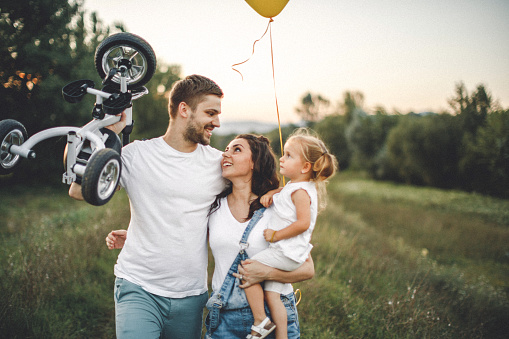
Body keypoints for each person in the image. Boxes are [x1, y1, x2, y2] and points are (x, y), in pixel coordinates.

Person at [106, 134, 315, 338]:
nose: (226, 155)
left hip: (273, 314)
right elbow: (182, 233)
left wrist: (266, 274)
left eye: (237, 149)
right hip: (225, 316)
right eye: (226, 149)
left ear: (254, 163)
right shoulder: (215, 207)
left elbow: (307, 268)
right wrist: (136, 235)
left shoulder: (275, 207)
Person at [69, 74, 226, 339]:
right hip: (138, 286)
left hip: (191, 295)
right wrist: (106, 130)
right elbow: (77, 191)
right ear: (184, 109)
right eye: (210, 113)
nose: (217, 122)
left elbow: (251, 203)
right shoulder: (135, 154)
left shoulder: (219, 164)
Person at [244, 128, 338, 339]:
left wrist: (276, 235)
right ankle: (282, 336)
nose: (282, 159)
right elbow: (285, 192)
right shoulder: (297, 187)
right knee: (272, 294)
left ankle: (260, 321)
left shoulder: (301, 192)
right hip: (291, 253)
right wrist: (271, 193)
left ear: (305, 166)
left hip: (286, 252)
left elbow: (303, 224)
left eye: (289, 155)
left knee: (247, 270)